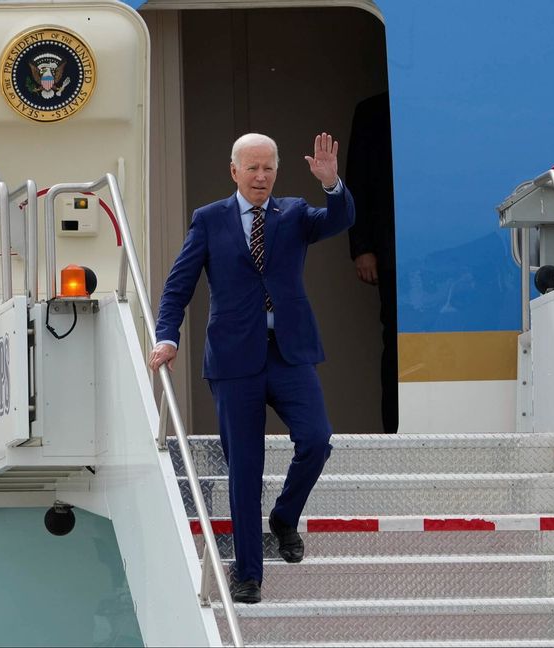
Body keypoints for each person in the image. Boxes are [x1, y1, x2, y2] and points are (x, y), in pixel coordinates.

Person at [149, 132, 354, 604]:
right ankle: (248, 574)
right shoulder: (209, 220)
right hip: (233, 359)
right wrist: (167, 336)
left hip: (289, 353)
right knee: (245, 467)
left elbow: (340, 220)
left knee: (317, 440)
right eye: (252, 168)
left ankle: (284, 517)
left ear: (277, 171)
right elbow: (178, 286)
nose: (261, 176)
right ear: (234, 171)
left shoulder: (296, 213)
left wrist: (332, 184)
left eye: (269, 168)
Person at [346, 91, 398, 434]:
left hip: (442, 246)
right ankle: (393, 427)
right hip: (388, 247)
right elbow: (357, 181)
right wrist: (362, 247)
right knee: (394, 338)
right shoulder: (372, 109)